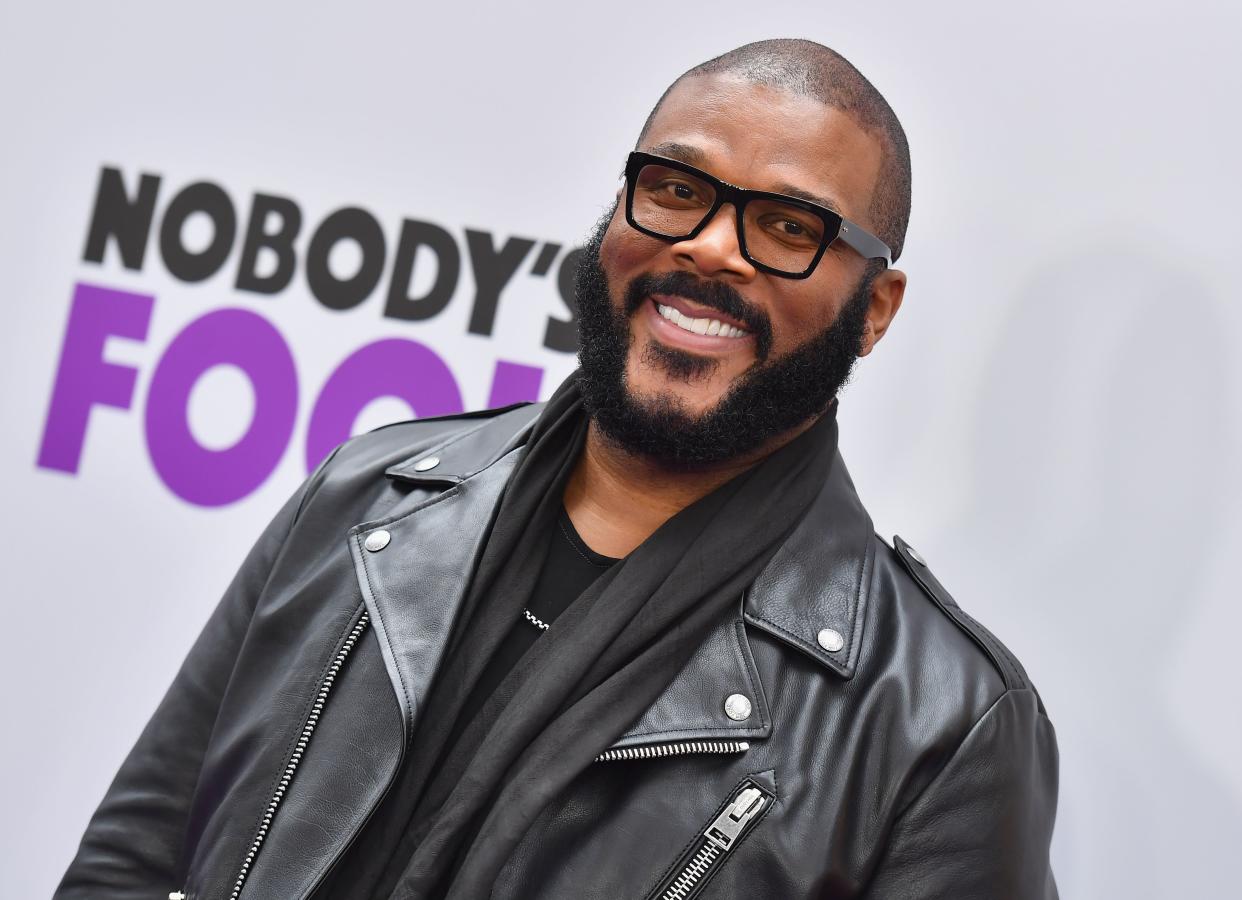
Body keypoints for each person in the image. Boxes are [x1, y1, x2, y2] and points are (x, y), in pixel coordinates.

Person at [57, 38, 1059, 900]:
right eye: (676, 189)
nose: (712, 247)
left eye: (789, 228)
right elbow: (131, 861)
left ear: (875, 310)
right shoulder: (370, 498)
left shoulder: (943, 726)